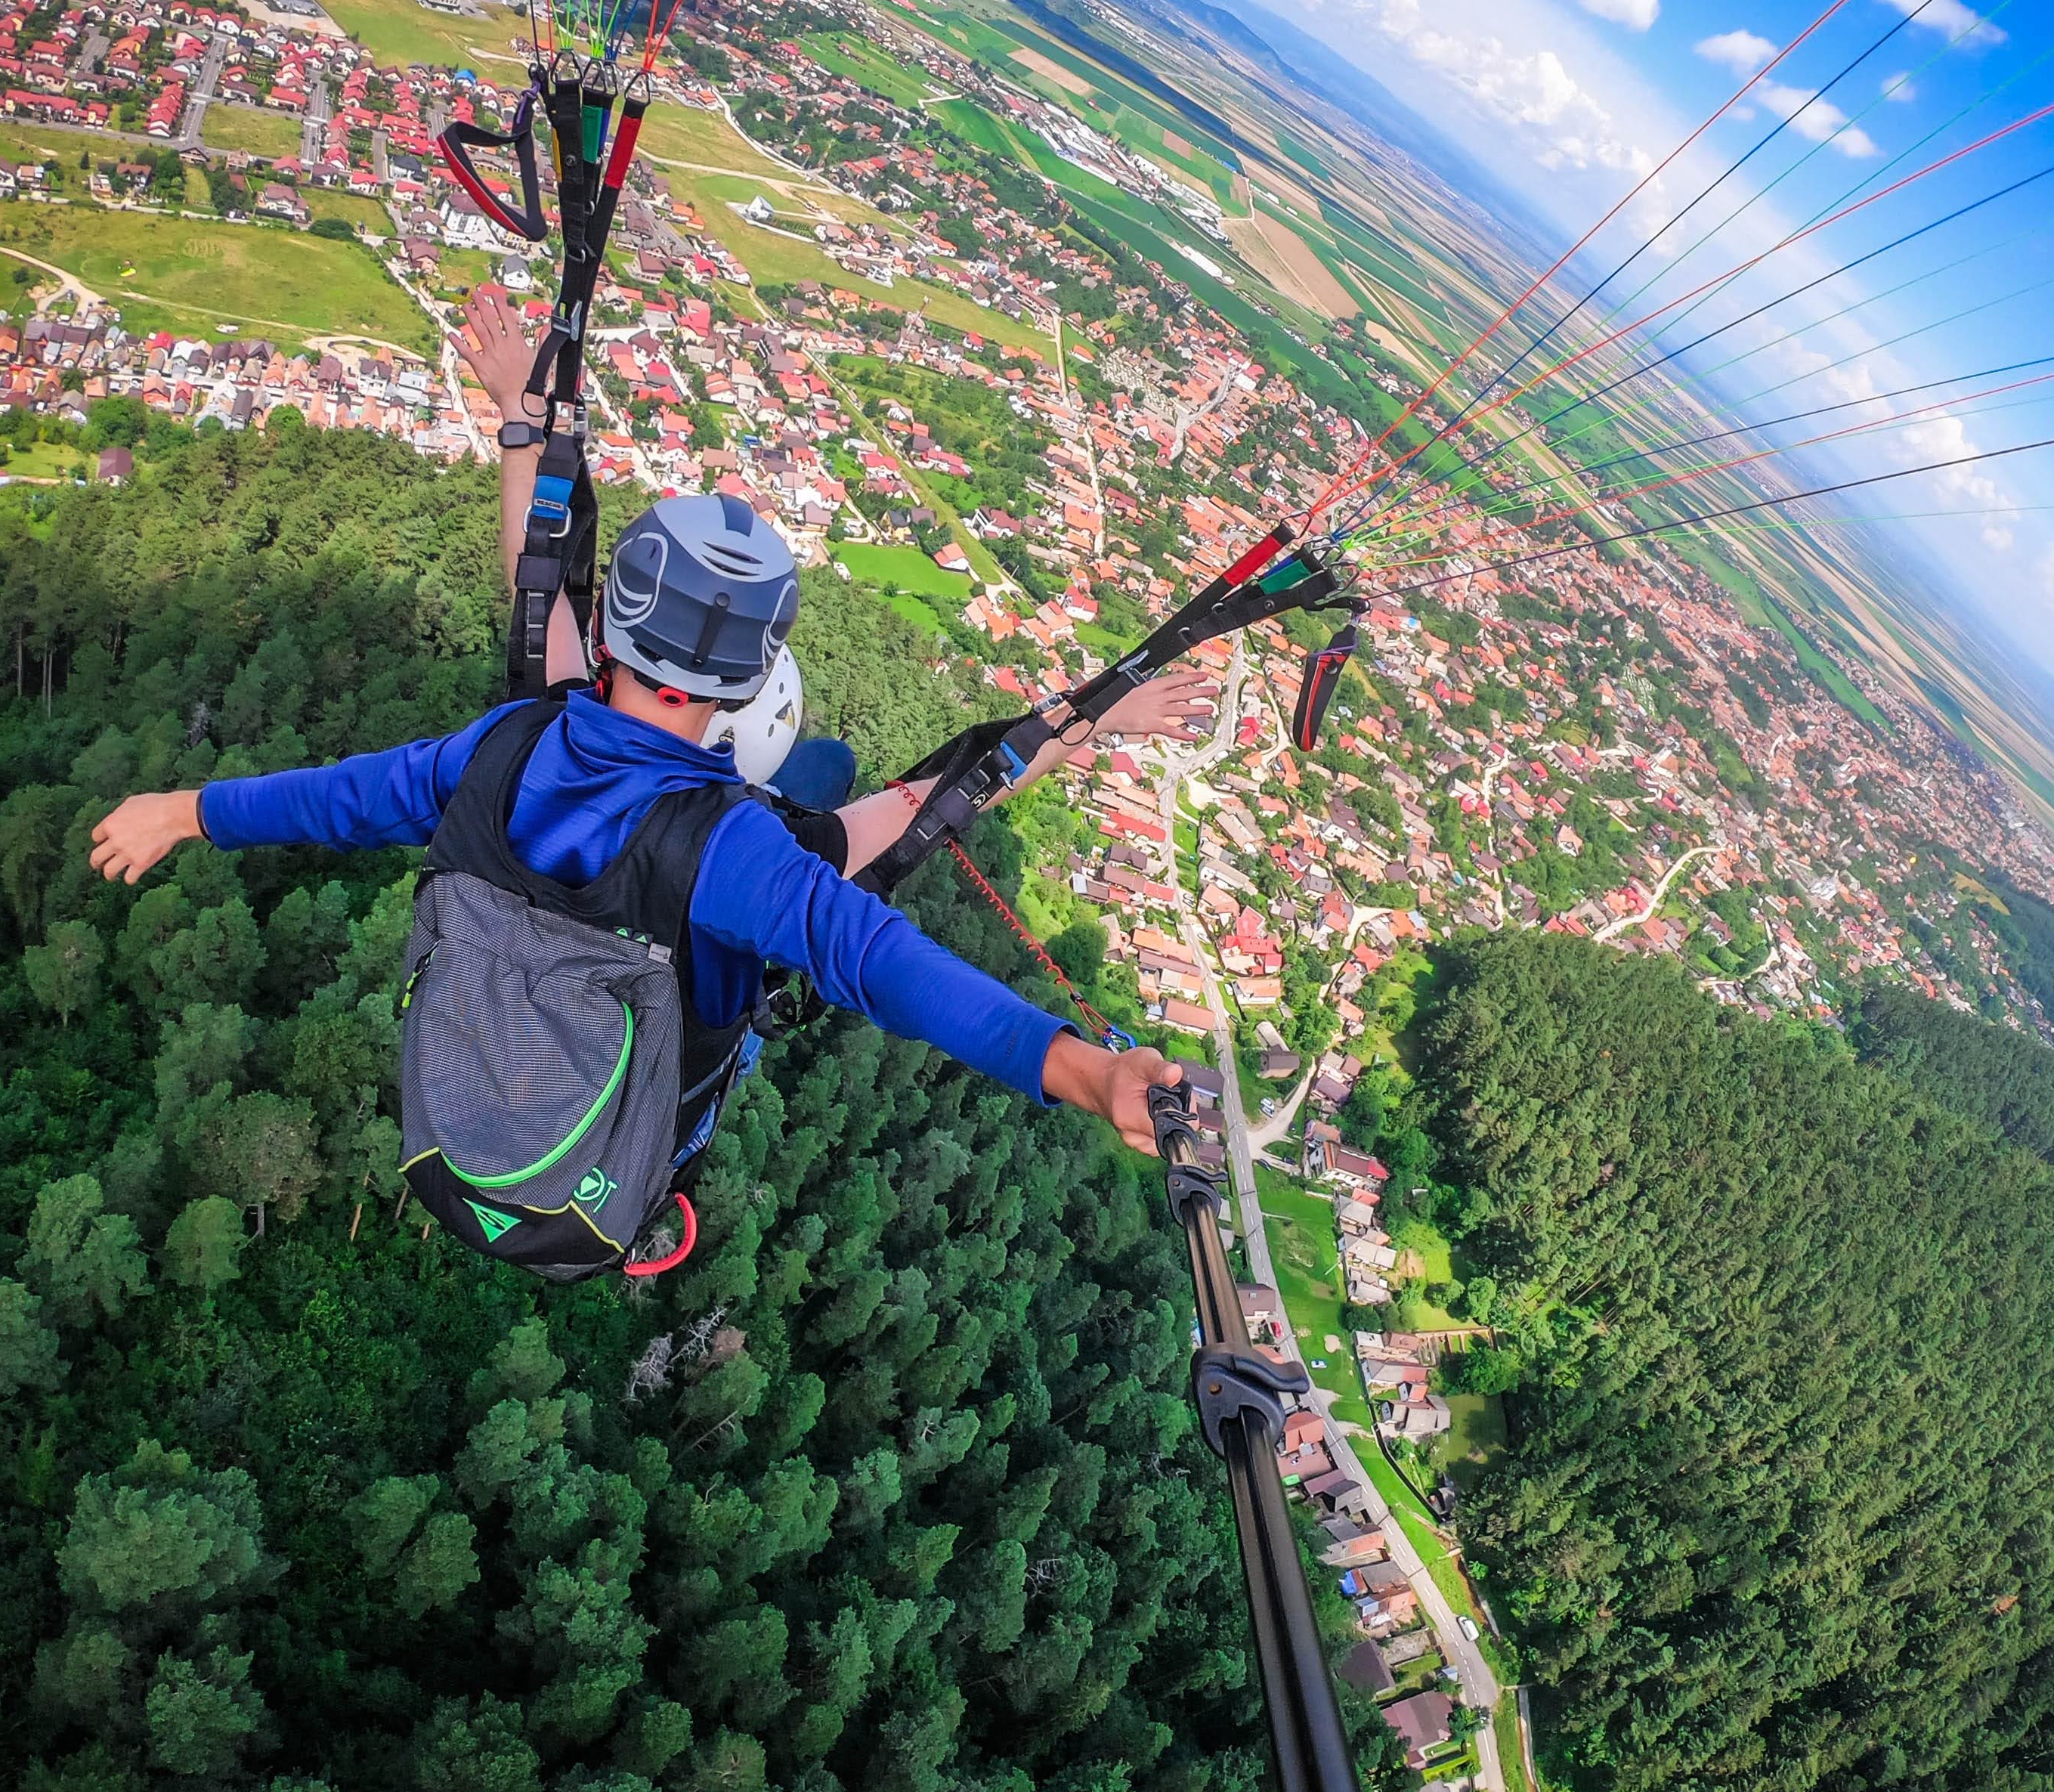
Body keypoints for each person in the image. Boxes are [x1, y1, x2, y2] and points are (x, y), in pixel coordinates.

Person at [89, 285, 1217, 1195]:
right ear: (746, 681)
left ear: (619, 625)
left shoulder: (497, 749)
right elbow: (899, 909)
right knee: (825, 797)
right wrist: (1084, 1069)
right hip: (625, 1138)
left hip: (474, 1079)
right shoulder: (746, 853)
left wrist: (183, 811)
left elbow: (415, 726)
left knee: (806, 798)